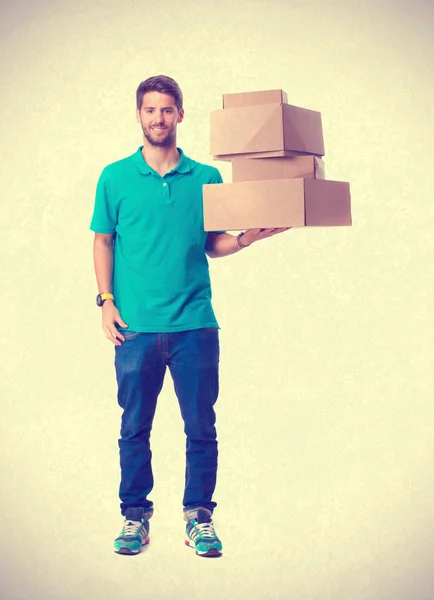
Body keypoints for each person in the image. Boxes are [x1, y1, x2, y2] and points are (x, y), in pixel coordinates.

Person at [90, 74, 289, 558]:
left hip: (195, 326)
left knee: (201, 426)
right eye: (149, 110)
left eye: (167, 109)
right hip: (134, 328)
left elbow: (212, 242)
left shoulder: (207, 178)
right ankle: (134, 517)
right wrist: (106, 300)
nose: (158, 118)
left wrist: (244, 239)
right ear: (138, 115)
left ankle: (199, 516)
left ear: (181, 114)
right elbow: (102, 239)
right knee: (134, 426)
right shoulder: (114, 177)